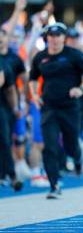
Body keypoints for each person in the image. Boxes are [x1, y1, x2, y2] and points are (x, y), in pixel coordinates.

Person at [29, 23, 83, 199]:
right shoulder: (40, 57)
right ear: (46, 38)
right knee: (49, 145)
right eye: (51, 35)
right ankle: (54, 184)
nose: (55, 39)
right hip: (48, 107)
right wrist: (35, 95)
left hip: (70, 106)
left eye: (58, 35)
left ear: (64, 37)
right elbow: (33, 77)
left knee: (70, 145)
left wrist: (80, 90)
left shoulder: (74, 56)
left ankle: (78, 157)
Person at [0, 57, 22, 191]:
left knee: (4, 140)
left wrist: (15, 107)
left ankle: (11, 175)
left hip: (1, 107)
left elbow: (10, 88)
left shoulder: (3, 63)